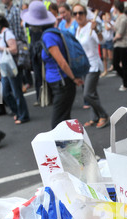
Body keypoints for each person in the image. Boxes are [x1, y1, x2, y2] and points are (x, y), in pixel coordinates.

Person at [22, 0, 83, 129]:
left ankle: (68, 148)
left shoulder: (48, 36)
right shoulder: (50, 33)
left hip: (62, 83)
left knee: (58, 125)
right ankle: (71, 148)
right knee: (64, 123)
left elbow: (62, 62)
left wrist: (73, 78)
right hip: (61, 83)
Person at [73, 2, 109, 129]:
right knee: (92, 93)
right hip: (83, 65)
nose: (78, 15)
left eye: (80, 13)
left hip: (93, 65)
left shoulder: (91, 26)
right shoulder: (78, 29)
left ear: (85, 13)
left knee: (87, 94)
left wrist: (97, 30)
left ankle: (104, 115)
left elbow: (102, 40)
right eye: (75, 13)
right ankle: (95, 117)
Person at [0, 13, 30, 124]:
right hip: (4, 67)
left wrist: (0, 48)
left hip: (12, 66)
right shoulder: (0, 34)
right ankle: (17, 111)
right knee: (5, 92)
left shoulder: (7, 33)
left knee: (17, 92)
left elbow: (14, 49)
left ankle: (23, 115)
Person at [112, 0, 127, 91]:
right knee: (116, 64)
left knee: (123, 64)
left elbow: (120, 34)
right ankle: (125, 79)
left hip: (123, 44)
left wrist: (114, 39)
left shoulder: (123, 18)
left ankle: (126, 83)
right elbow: (116, 29)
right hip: (118, 44)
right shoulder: (118, 17)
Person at [100, 11, 114, 77]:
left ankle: (114, 64)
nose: (105, 17)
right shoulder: (102, 23)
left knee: (110, 57)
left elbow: (107, 28)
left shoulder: (110, 23)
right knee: (104, 56)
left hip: (109, 40)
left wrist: (106, 22)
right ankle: (105, 70)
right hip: (104, 41)